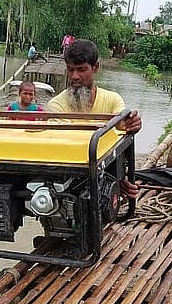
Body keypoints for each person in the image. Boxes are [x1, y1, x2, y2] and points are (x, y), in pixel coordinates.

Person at [47, 38, 141, 197]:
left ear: (96, 67)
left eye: (81, 69)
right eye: (70, 70)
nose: (75, 76)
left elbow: (122, 124)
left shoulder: (113, 100)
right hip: (69, 178)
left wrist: (132, 123)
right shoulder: (56, 105)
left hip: (104, 174)